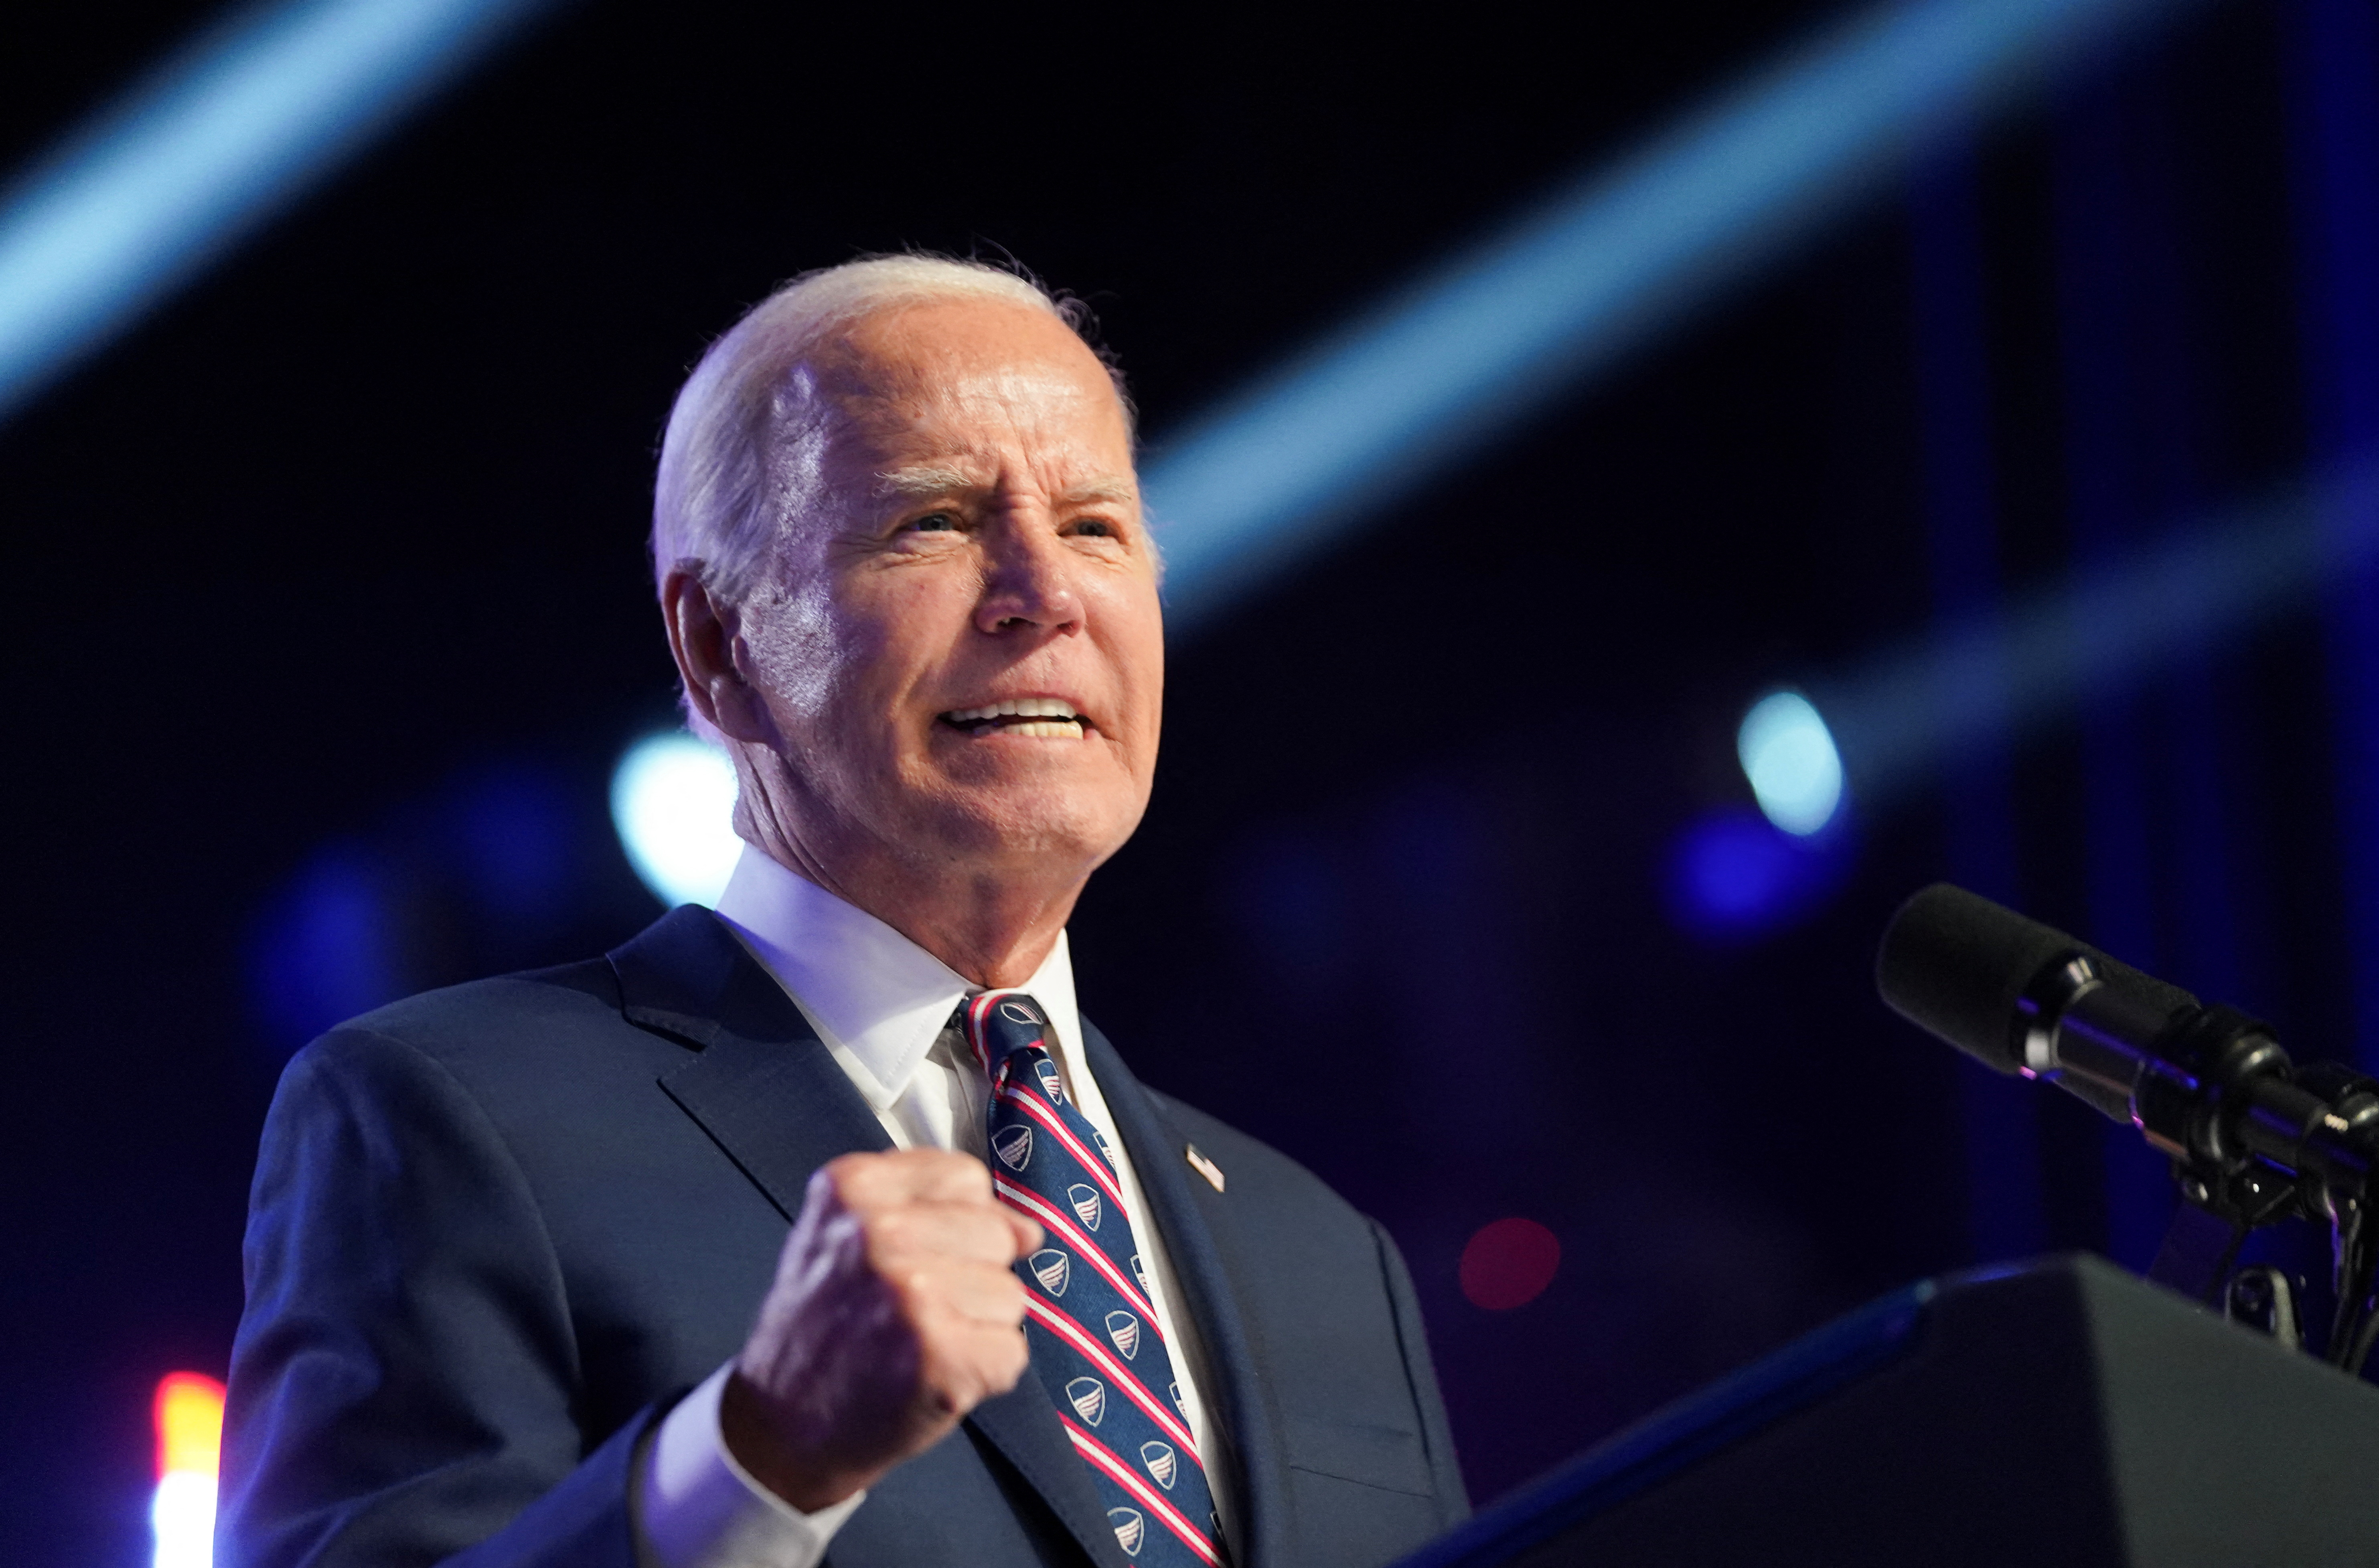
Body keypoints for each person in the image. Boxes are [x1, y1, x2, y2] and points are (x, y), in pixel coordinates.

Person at [219, 256, 1468, 1568]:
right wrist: (760, 1456)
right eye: (931, 522)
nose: (1043, 594)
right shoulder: (443, 1120)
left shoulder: (1327, 1253)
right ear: (719, 644)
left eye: (1096, 526)